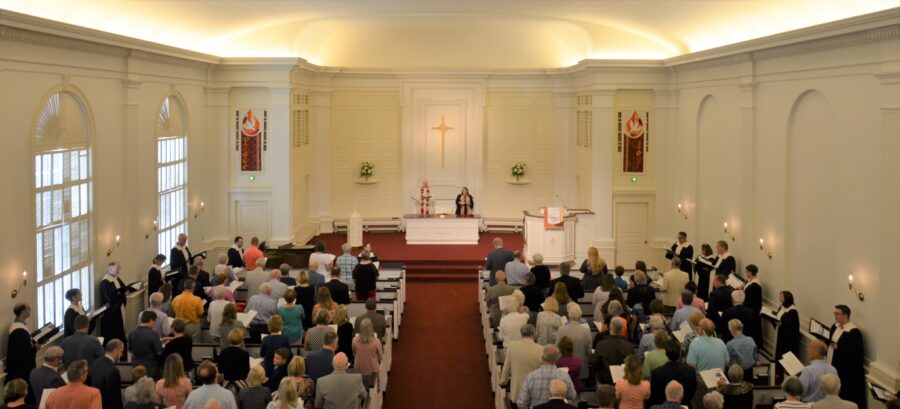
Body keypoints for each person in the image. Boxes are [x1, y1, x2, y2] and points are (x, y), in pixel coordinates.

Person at [828, 305, 867, 409]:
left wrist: (839, 348)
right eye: (834, 313)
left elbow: (856, 355)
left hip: (847, 372)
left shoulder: (854, 332)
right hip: (834, 365)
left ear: (845, 315)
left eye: (837, 313)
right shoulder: (835, 326)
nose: (835, 316)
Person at [517, 345, 578, 409]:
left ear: (542, 358)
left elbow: (521, 403)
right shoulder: (565, 376)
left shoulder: (531, 377)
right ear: (557, 360)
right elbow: (573, 397)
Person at [500, 324, 544, 407]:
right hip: (534, 392)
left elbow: (506, 367)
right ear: (534, 334)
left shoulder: (512, 346)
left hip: (517, 391)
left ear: (521, 334)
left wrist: (503, 381)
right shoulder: (541, 349)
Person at [649, 340, 697, 408]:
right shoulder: (690, 371)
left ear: (666, 354)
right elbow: (692, 392)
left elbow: (654, 395)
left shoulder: (657, 373)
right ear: (680, 353)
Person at [592, 317, 633, 385]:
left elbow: (595, 365)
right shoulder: (629, 346)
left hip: (605, 382)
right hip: (623, 383)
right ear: (622, 329)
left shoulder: (601, 345)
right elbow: (631, 367)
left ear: (610, 328)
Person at [7, 303, 39, 386]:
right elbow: (22, 352)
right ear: (23, 311)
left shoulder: (19, 326)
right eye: (29, 308)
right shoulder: (18, 330)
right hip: (22, 369)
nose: (30, 310)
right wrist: (35, 348)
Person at [100, 262, 128, 349]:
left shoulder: (116, 278)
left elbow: (123, 288)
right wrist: (120, 295)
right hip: (112, 313)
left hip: (120, 308)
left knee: (122, 327)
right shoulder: (105, 282)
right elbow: (108, 298)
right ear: (110, 269)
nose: (119, 271)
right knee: (115, 331)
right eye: (117, 269)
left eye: (119, 268)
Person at [90, 339, 124, 409]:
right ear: (115, 351)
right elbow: (115, 397)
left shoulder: (96, 362)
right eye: (121, 351)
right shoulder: (113, 371)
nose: (122, 354)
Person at [129, 311, 163, 377]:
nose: (155, 324)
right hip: (150, 366)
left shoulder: (132, 333)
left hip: (136, 365)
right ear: (150, 320)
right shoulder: (153, 334)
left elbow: (130, 351)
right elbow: (159, 352)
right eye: (154, 321)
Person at [352, 318, 383, 388]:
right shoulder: (376, 341)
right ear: (371, 328)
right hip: (372, 370)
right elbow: (380, 357)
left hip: (358, 369)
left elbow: (354, 353)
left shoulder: (354, 340)